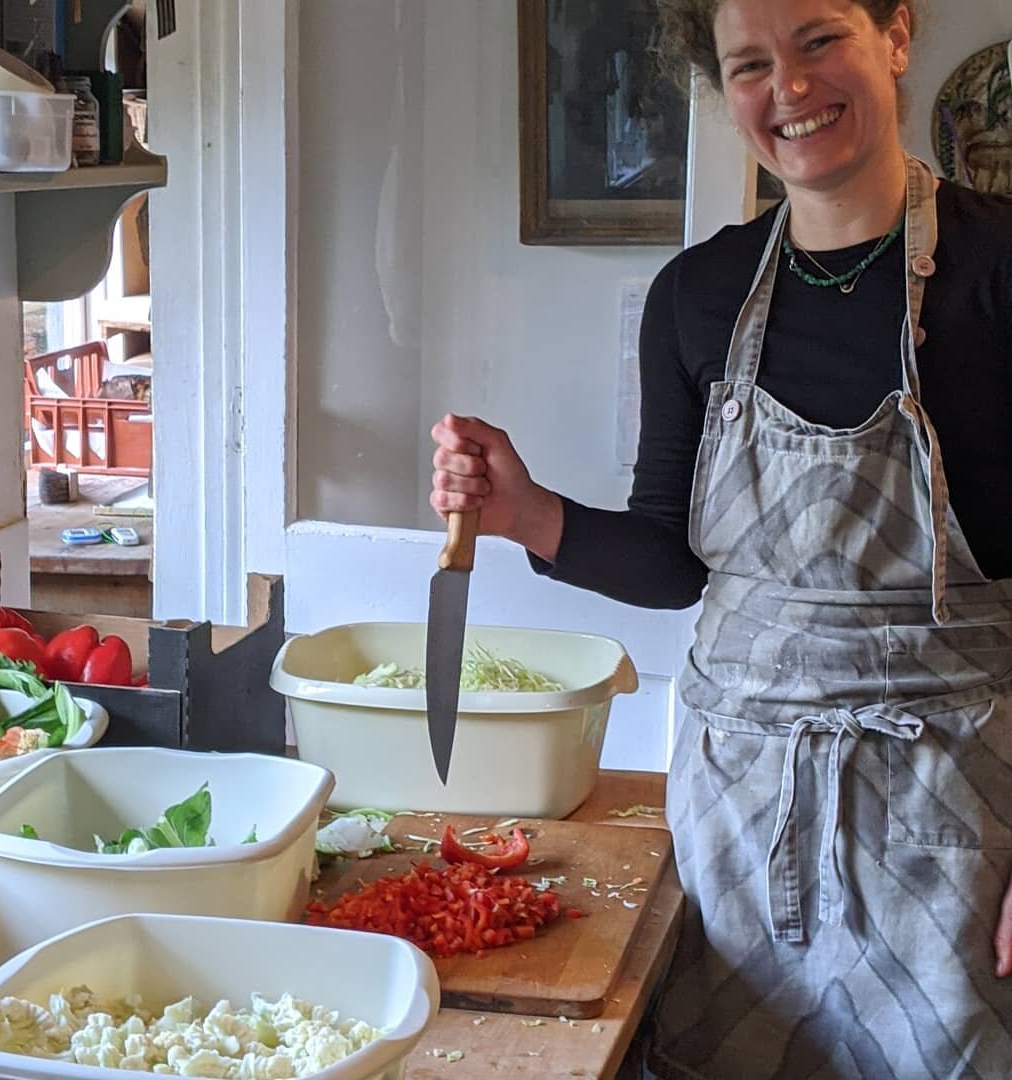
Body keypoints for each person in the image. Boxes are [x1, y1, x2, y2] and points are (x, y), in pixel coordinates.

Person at [429, 0, 1012, 1076]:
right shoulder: (696, 296)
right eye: (751, 63)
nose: (789, 87)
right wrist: (522, 511)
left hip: (957, 816)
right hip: (741, 814)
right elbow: (671, 561)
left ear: (896, 36)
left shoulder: (1000, 272)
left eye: (820, 39)